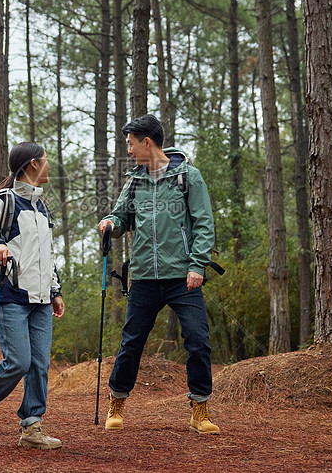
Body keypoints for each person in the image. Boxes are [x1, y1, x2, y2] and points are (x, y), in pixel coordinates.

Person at [98, 114, 220, 434]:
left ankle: (200, 410)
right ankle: (117, 401)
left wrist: (197, 265)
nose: (129, 150)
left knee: (198, 340)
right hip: (143, 278)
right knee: (131, 343)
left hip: (182, 277)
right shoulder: (135, 181)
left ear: (146, 142)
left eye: (131, 143)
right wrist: (111, 223)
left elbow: (204, 223)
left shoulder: (188, 177)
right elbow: (121, 215)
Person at [0, 142, 65, 450]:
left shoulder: (42, 207)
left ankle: (32, 427)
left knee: (39, 365)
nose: (49, 165)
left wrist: (55, 290)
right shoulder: (5, 200)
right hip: (10, 295)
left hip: (41, 299)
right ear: (33, 164)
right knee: (18, 362)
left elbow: (46, 254)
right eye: (46, 160)